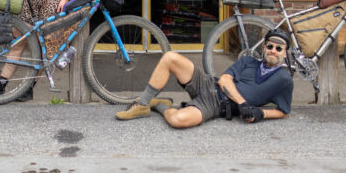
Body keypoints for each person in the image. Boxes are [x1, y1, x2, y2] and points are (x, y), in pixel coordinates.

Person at [115, 29, 293, 127]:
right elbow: (224, 80)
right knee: (170, 57)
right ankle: (143, 103)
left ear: (285, 53)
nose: (273, 51)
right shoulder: (248, 61)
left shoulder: (283, 79)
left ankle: (159, 105)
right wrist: (243, 104)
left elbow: (283, 111)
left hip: (216, 106)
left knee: (177, 121)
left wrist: (261, 113)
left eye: (279, 48)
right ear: (264, 46)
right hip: (208, 83)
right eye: (270, 46)